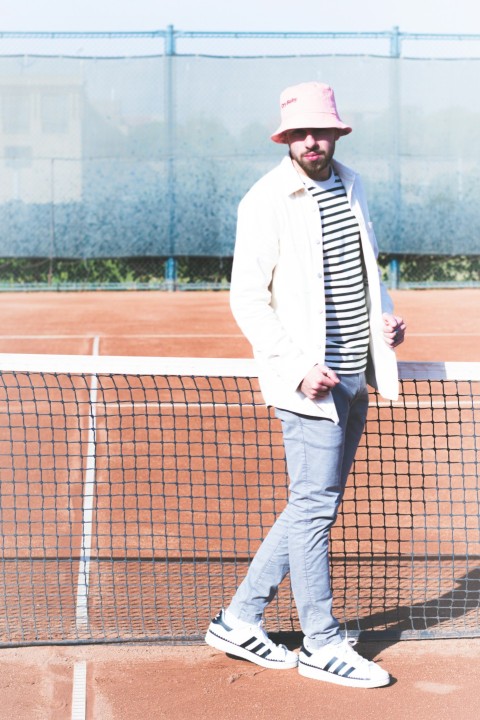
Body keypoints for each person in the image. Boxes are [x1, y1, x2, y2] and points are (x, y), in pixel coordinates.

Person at [205, 81, 406, 689]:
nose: (313, 141)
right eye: (301, 133)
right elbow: (247, 299)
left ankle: (239, 618)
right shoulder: (264, 200)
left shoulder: (352, 184)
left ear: (337, 132)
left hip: (354, 374)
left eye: (322, 131)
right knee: (315, 510)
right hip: (309, 385)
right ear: (286, 137)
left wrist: (385, 321)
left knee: (310, 506)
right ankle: (320, 642)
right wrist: (296, 366)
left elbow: (364, 272)